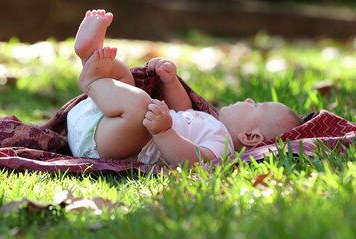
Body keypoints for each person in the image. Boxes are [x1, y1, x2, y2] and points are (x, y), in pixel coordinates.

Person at [67, 9, 302, 166]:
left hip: (106, 145)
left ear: (250, 136)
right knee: (125, 79)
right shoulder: (211, 122)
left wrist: (163, 132)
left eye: (257, 105)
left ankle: (92, 82)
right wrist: (171, 81)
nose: (250, 100)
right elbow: (183, 109)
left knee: (140, 106)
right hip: (106, 121)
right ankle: (90, 54)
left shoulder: (223, 148)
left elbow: (193, 162)